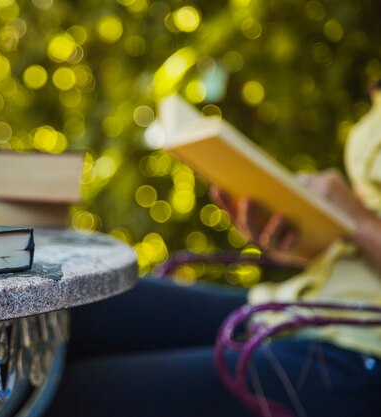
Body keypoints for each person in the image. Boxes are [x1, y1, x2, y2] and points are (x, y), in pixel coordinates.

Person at [41, 92, 381, 417]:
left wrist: (361, 222)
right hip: (296, 306)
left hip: (357, 347)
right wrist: (299, 235)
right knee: (61, 307)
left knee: (68, 396)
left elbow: (365, 226)